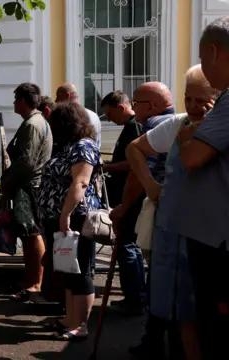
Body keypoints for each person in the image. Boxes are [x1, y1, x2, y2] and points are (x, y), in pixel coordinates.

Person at [127, 64, 217, 360]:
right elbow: (134, 149)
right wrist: (151, 186)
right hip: (171, 231)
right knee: (167, 298)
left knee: (200, 308)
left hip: (208, 234)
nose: (193, 107)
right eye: (188, 99)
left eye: (202, 100)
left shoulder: (222, 129)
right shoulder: (176, 124)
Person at [109, 82, 177, 360]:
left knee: (159, 277)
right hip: (178, 212)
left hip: (158, 211)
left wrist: (124, 207)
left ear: (152, 105)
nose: (133, 107)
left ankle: (154, 341)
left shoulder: (156, 126)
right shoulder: (178, 121)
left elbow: (138, 174)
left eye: (136, 102)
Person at [176, 16, 229, 360]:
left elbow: (193, 157)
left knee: (217, 328)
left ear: (212, 51)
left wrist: (185, 138)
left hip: (219, 242)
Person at [37, 102, 100, 341]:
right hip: (62, 217)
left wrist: (65, 215)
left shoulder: (84, 146)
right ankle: (70, 318)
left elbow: (80, 183)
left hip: (76, 216)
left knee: (81, 270)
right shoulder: (70, 146)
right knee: (68, 269)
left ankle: (80, 325)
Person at [0, 83, 52, 303]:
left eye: (15, 99)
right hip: (30, 184)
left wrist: (8, 180)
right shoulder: (37, 122)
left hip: (30, 185)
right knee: (28, 233)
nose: (13, 103)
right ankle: (32, 280)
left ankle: (36, 283)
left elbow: (27, 161)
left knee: (32, 234)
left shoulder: (32, 124)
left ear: (22, 100)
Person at [100, 91, 146, 315]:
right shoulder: (130, 127)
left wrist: (108, 167)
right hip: (126, 194)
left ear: (120, 108)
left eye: (109, 114)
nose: (109, 119)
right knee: (130, 246)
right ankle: (136, 296)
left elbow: (132, 163)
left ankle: (135, 298)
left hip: (130, 196)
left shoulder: (134, 127)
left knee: (126, 246)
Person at [55, 83, 102, 148]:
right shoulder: (94, 115)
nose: (56, 100)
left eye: (58, 96)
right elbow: (97, 143)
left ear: (67, 95)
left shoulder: (67, 117)